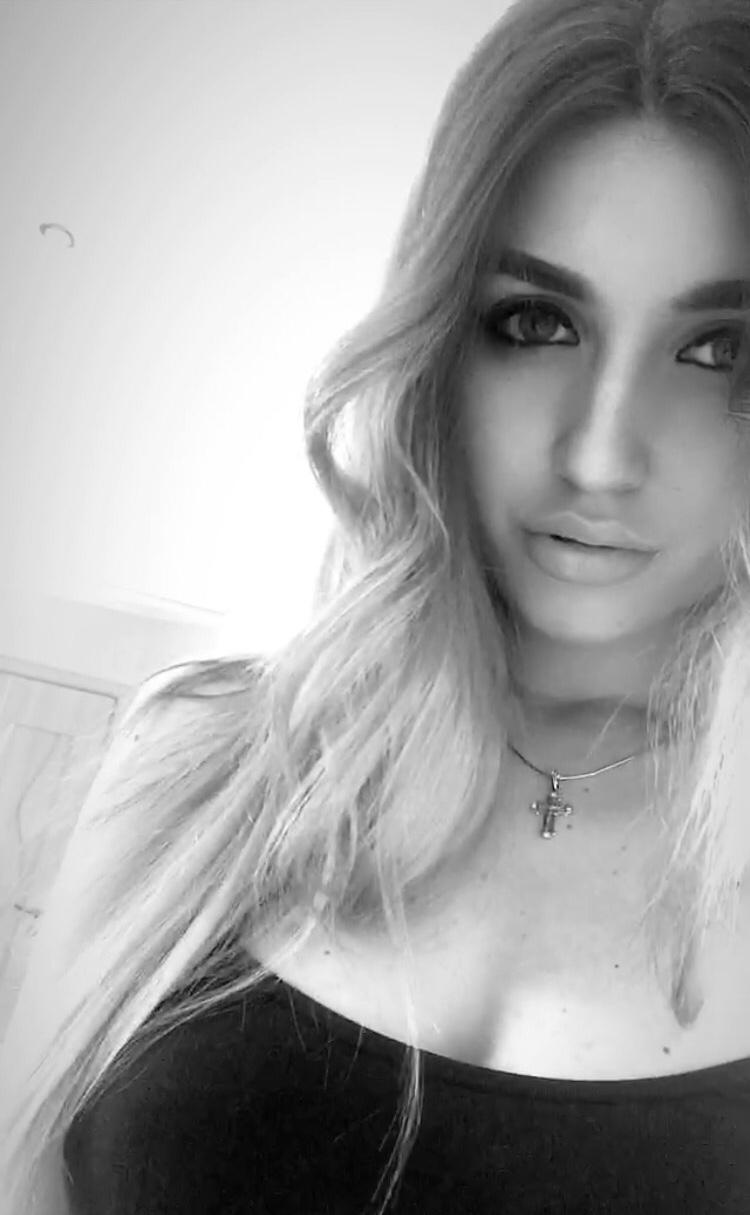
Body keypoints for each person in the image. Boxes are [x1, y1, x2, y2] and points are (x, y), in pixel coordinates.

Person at [4, 0, 750, 1210]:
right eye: (537, 323)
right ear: (438, 340)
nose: (602, 454)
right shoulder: (195, 764)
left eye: (718, 350)